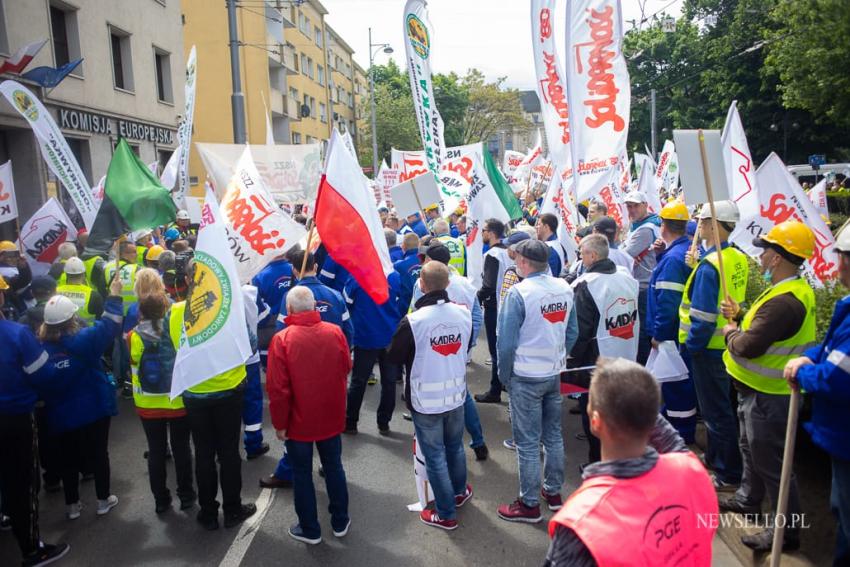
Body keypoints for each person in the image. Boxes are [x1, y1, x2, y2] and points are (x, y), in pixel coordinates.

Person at [544, 359, 718, 567]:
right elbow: (670, 439)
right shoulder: (691, 470)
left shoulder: (583, 522)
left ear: (595, 421)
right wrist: (635, 397)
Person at [719, 221, 815, 552]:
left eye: (764, 250)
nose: (759, 255)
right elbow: (766, 328)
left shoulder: (784, 301)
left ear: (775, 258)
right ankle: (748, 498)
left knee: (774, 466)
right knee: (752, 451)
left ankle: (784, 533)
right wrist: (743, 314)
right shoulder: (785, 291)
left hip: (769, 398)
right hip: (757, 392)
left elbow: (748, 345)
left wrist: (731, 331)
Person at [496, 239, 578, 523]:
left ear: (523, 262)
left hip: (526, 375)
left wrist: (504, 376)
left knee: (528, 443)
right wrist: (558, 357)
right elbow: (572, 332)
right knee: (553, 435)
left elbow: (505, 343)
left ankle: (529, 504)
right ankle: (553, 493)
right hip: (553, 373)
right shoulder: (565, 287)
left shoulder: (519, 293)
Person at [388, 262, 473, 530]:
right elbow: (468, 344)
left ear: (422, 285)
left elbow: (394, 357)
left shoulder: (414, 321)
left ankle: (446, 513)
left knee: (435, 455)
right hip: (455, 393)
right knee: (455, 446)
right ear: (447, 284)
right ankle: (459, 492)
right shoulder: (463, 314)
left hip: (426, 400)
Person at [785, 222, 850, 565]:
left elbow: (837, 377)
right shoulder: (847, 304)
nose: (838, 265)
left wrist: (803, 371)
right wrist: (811, 355)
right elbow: (831, 351)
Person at [266, 286, 352, 544]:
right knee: (334, 467)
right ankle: (340, 520)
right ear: (314, 307)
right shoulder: (335, 332)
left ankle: (310, 528)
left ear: (289, 310)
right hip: (330, 415)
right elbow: (346, 366)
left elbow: (277, 389)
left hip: (298, 422)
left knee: (302, 474)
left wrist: (280, 425)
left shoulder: (282, 340)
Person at [261, 250, 353, 489]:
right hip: (331, 375)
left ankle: (287, 471)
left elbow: (282, 335)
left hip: (299, 377)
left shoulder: (290, 298)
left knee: (298, 435)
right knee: (329, 436)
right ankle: (323, 467)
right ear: (316, 265)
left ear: (294, 268)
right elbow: (348, 333)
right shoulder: (335, 294)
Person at [39, 276, 124, 521]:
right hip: (94, 407)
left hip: (60, 412)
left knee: (68, 458)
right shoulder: (84, 341)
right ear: (72, 318)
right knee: (98, 454)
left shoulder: (40, 348)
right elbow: (110, 325)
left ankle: (73, 505)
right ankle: (102, 499)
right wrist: (115, 295)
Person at [0, 275, 70, 566]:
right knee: (23, 483)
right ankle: (31, 549)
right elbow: (44, 375)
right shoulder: (16, 334)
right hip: (14, 418)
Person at [679, 200, 748, 490]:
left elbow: (704, 319)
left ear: (714, 224)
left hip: (706, 349)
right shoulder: (736, 257)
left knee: (716, 412)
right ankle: (718, 457)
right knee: (721, 409)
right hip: (724, 346)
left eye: (703, 221)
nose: (699, 226)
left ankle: (727, 473)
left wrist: (692, 347)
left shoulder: (710, 266)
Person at [411, 243, 489, 461]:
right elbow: (476, 316)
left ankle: (436, 450)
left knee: (434, 397)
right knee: (461, 393)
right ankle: (478, 441)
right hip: (457, 347)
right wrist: (467, 344)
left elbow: (415, 314)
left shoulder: (422, 283)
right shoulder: (465, 284)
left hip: (432, 348)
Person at [126, 271, 196, 514]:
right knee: (182, 448)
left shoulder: (133, 336)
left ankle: (161, 500)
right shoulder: (175, 326)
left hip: (147, 403)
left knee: (156, 451)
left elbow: (131, 362)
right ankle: (186, 495)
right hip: (176, 399)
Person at [567, 234, 639, 465]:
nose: (579, 256)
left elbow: (580, 330)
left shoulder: (587, 284)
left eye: (582, 253)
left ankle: (599, 463)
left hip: (595, 361)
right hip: (626, 353)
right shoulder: (626, 276)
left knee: (596, 413)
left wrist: (570, 360)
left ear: (593, 256)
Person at [647, 201, 697, 443]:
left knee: (677, 390)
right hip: (678, 334)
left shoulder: (673, 259)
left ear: (664, 226)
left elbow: (668, 302)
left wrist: (659, 334)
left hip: (671, 336)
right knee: (676, 387)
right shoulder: (680, 252)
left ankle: (680, 439)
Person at [343, 269, 402, 434]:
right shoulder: (394, 276)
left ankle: (350, 422)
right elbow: (400, 302)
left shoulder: (356, 276)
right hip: (390, 334)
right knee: (389, 382)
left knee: (358, 381)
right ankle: (384, 422)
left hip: (366, 336)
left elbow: (345, 303)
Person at [622, 190, 661, 365]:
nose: (632, 210)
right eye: (629, 206)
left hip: (643, 286)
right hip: (643, 283)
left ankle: (643, 369)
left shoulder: (646, 229)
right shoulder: (642, 224)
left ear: (645, 205)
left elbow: (624, 256)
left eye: (636, 206)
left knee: (642, 332)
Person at [475, 219, 511, 404]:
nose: (482, 233)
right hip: (507, 304)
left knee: (495, 349)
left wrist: (476, 299)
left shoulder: (493, 254)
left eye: (484, 230)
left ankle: (495, 390)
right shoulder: (508, 252)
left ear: (491, 233)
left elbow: (488, 285)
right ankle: (503, 381)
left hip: (495, 306)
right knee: (504, 348)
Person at [241, 284, 270, 460]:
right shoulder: (250, 291)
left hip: (224, 360)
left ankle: (224, 449)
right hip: (249, 356)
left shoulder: (212, 288)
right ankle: (253, 444)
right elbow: (264, 316)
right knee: (251, 401)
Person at [57, 257, 104, 325]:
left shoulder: (56, 292)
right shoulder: (93, 295)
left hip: (63, 333)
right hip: (87, 333)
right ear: (83, 274)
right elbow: (100, 320)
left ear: (66, 274)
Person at [0, 240, 32, 319]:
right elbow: (22, 282)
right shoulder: (6, 274)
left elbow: (23, 281)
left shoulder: (14, 268)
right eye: (8, 255)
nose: (12, 258)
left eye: (14, 254)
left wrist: (23, 267)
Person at [499, 232, 531, 306]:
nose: (507, 249)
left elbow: (505, 304)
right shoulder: (540, 267)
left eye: (508, 246)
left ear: (514, 250)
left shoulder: (512, 273)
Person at [393, 232, 421, 314]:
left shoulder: (398, 265)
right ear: (419, 245)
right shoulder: (428, 260)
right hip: (426, 305)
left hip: (406, 307)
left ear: (403, 246)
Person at [536, 213, 566, 277]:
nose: (536, 227)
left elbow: (552, 274)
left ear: (546, 227)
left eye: (539, 224)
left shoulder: (548, 248)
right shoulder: (557, 243)